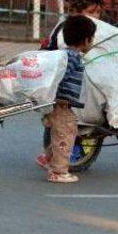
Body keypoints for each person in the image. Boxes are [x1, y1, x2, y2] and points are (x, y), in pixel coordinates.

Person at [37, 15, 96, 183]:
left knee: (65, 134)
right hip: (60, 106)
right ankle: (58, 171)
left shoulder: (65, 54)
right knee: (65, 135)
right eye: (92, 39)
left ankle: (48, 158)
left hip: (59, 105)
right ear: (86, 40)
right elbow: (59, 77)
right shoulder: (71, 58)